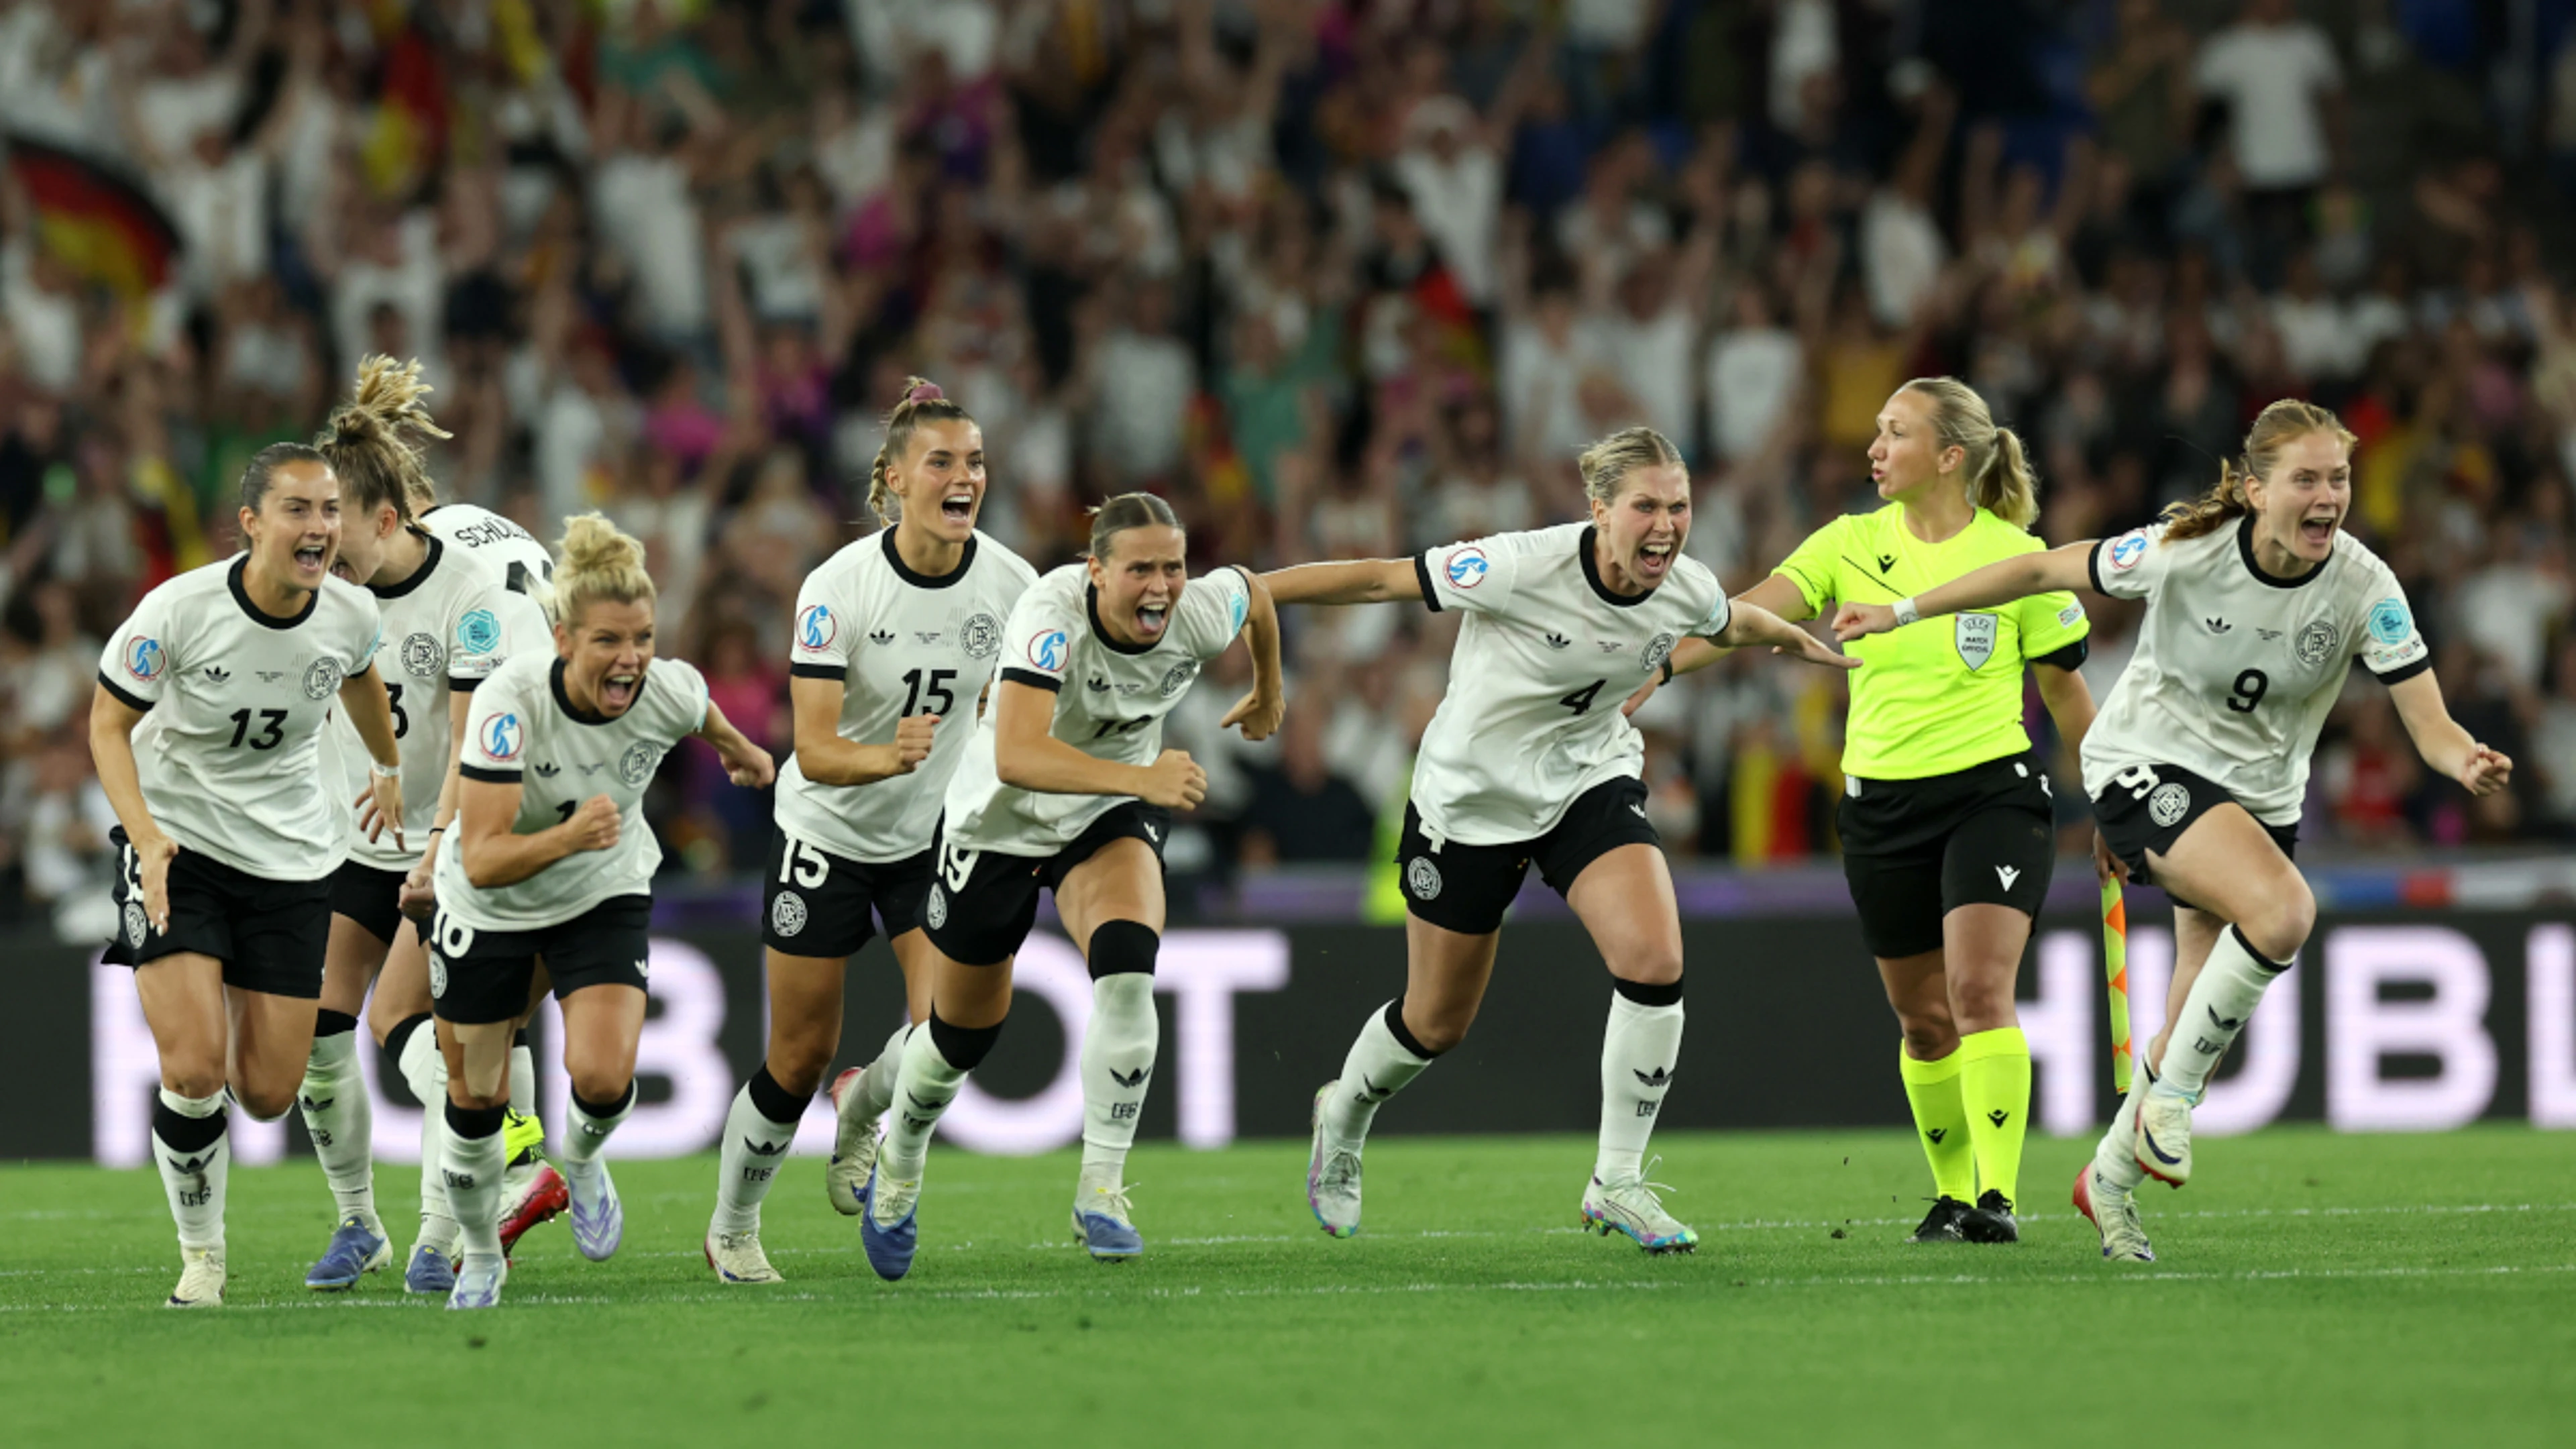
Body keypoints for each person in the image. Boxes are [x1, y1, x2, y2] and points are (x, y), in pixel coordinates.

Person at [1833, 399, 2513, 1260]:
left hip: (2260, 800)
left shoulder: (2365, 585)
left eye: (2338, 478)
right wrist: (1903, 612)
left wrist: (2463, 762)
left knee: (2192, 1015)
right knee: (2285, 915)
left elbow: (2429, 718)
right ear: (2258, 489)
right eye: (2306, 479)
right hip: (2143, 766)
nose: (2328, 497)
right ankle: (2168, 1109)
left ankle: (2110, 1179)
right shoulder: (2184, 551)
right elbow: (2039, 573)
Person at [1265, 426, 1854, 1253]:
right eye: (1645, 506)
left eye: (1679, 507)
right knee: (1436, 1023)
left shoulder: (1683, 587)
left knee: (1654, 960)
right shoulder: (1518, 565)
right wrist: (1245, 591)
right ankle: (1347, 1112)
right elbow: (1377, 579)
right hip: (1470, 802)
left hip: (1587, 780)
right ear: (1599, 510)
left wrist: (1793, 637)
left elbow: (1728, 623)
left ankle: (1618, 1181)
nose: (1666, 524)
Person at [1639, 380, 2098, 1244]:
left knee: (1977, 988)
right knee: (1923, 1023)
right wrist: (1662, 668)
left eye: (1896, 434)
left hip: (1992, 792)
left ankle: (1997, 1199)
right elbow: (1752, 611)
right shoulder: (1849, 542)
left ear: (1950, 457)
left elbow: (2067, 696)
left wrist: (2114, 804)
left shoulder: (2017, 558)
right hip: (1882, 805)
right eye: (1877, 432)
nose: (1874, 449)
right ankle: (1954, 1193)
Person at [856, 493, 1285, 1280]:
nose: (1161, 586)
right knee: (959, 1039)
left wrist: (1271, 688)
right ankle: (900, 1155)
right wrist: (1144, 777)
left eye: (1174, 567)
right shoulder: (1048, 615)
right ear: (1096, 570)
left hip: (1106, 814)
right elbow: (1018, 753)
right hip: (999, 821)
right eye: (1140, 569)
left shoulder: (1195, 609)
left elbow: (1257, 593)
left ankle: (1102, 1189)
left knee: (1128, 970)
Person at [702, 379, 1037, 1285]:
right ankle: (732, 1225)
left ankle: (865, 1113)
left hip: (933, 839)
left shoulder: (1015, 588)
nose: (964, 477)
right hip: (829, 836)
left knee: (946, 1034)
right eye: (942, 462)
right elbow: (808, 747)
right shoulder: (838, 588)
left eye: (974, 461)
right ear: (892, 481)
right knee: (798, 1054)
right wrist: (887, 754)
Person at [430, 515, 775, 1309]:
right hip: (489, 904)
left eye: (644, 638)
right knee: (476, 1096)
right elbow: (480, 855)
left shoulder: (667, 687)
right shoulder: (508, 703)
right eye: (610, 642)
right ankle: (480, 1253)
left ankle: (579, 1162)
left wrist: (739, 752)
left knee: (601, 1073)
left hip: (601, 889)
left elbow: (700, 714)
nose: (631, 660)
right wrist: (568, 834)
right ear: (561, 639)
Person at [91, 444, 407, 1307]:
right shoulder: (179, 611)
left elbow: (361, 682)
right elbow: (108, 726)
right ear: (252, 524)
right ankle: (203, 1256)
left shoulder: (346, 613)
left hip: (293, 860)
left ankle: (325, 1202)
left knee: (266, 1093)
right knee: (194, 1070)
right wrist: (146, 838)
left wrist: (386, 767)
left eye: (330, 510)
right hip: (180, 852)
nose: (320, 527)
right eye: (300, 510)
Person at [298, 358, 551, 1295]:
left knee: (436, 1029)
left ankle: (463, 1218)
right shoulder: (317, 584)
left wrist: (444, 842)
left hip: (453, 834)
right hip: (351, 834)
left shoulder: (469, 594)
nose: (324, 550)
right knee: (321, 1035)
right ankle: (361, 1220)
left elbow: (470, 730)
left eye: (338, 531)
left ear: (390, 518)